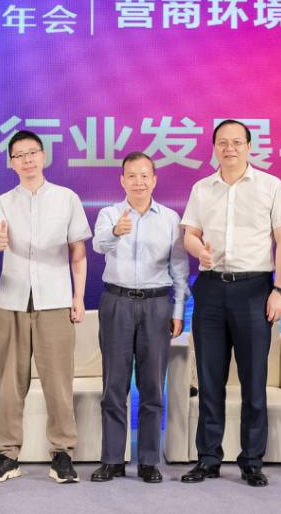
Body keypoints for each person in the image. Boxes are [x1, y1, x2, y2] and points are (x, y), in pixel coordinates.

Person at [179, 120, 281, 488]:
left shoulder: (270, 186)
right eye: (222, 143)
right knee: (209, 378)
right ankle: (208, 458)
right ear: (214, 147)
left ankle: (252, 460)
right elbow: (190, 234)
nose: (229, 148)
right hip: (211, 288)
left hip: (255, 289)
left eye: (236, 142)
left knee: (254, 380)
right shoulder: (202, 188)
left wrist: (279, 290)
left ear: (249, 146)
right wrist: (199, 251)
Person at [0, 131, 91, 485]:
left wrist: (78, 298)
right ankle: (6, 454)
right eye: (19, 155)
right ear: (11, 162)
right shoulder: (1, 201)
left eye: (32, 153)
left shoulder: (66, 198)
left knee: (58, 381)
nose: (27, 160)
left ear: (44, 156)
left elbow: (78, 254)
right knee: (9, 383)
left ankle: (62, 453)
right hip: (12, 301)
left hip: (55, 300)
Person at [90, 152, 190, 485]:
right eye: (131, 175)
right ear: (122, 180)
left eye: (145, 175)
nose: (139, 182)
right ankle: (112, 460)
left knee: (152, 386)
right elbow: (98, 245)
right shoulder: (109, 214)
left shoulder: (170, 219)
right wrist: (116, 231)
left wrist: (178, 311)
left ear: (154, 179)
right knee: (114, 386)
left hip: (156, 304)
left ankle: (148, 460)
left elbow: (179, 268)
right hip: (116, 302)